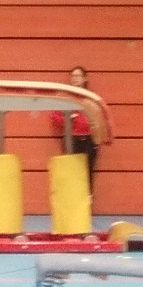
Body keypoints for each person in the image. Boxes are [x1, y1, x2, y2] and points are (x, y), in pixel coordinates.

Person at [49, 66, 99, 195]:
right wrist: (70, 119)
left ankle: (86, 200)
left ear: (84, 79)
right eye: (73, 76)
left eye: (78, 76)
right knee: (70, 170)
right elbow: (54, 117)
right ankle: (70, 199)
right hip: (71, 139)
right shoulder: (65, 97)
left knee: (87, 173)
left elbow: (97, 117)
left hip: (88, 139)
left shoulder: (90, 98)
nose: (75, 78)